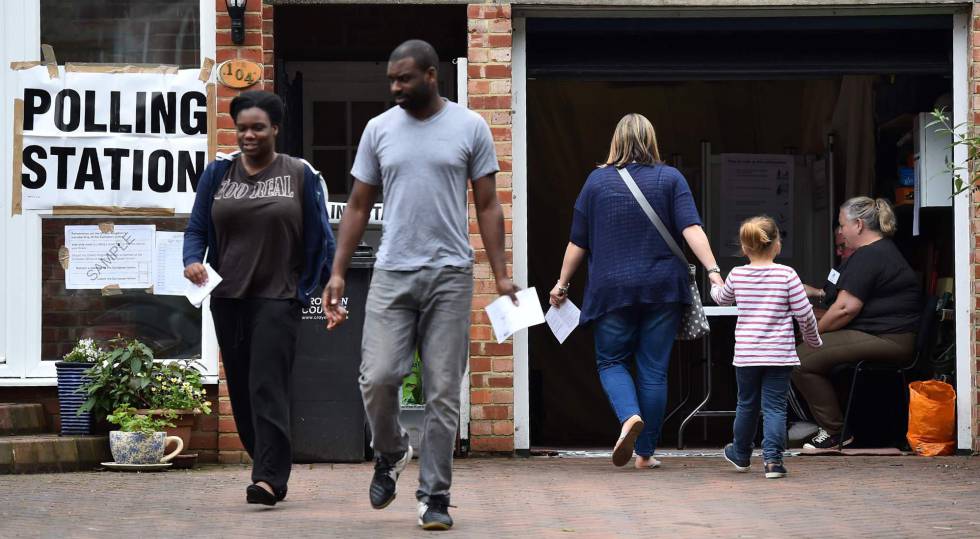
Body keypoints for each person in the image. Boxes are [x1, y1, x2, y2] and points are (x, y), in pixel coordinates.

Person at [322, 40, 516, 531]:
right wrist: (338, 271)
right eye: (391, 79)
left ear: (432, 75)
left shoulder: (470, 126)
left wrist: (502, 273)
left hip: (450, 274)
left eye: (403, 79)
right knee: (379, 376)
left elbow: (489, 204)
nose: (394, 87)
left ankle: (435, 496)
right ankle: (390, 452)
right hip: (391, 272)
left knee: (443, 392)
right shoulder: (378, 129)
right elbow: (359, 206)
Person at [183, 90, 335, 506]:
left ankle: (268, 478)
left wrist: (318, 286)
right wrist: (192, 260)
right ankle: (264, 460)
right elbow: (197, 228)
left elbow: (322, 236)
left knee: (267, 385)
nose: (248, 135)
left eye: (257, 128)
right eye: (242, 128)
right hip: (227, 297)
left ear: (275, 129)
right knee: (241, 389)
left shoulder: (299, 174)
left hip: (277, 296)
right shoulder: (218, 174)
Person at [549, 113, 724, 469]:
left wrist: (562, 283)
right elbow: (691, 228)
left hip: (612, 290)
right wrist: (714, 272)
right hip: (663, 288)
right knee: (654, 370)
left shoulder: (596, 183)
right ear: (651, 140)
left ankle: (628, 416)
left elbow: (577, 243)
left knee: (612, 361)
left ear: (615, 142)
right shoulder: (670, 179)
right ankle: (645, 453)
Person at [793, 197, 921, 450]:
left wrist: (812, 333)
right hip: (882, 335)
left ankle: (834, 432)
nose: (840, 232)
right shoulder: (877, 252)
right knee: (808, 352)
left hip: (889, 340)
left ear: (859, 225)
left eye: (842, 225)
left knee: (801, 359)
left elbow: (844, 309)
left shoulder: (871, 255)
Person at [711, 216, 822, 479]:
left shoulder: (737, 275)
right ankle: (773, 461)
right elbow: (804, 313)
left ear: (745, 247)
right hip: (779, 354)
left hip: (747, 355)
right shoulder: (787, 275)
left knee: (746, 404)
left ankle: (740, 453)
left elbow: (723, 299)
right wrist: (813, 339)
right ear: (777, 245)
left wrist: (715, 283)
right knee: (774, 407)